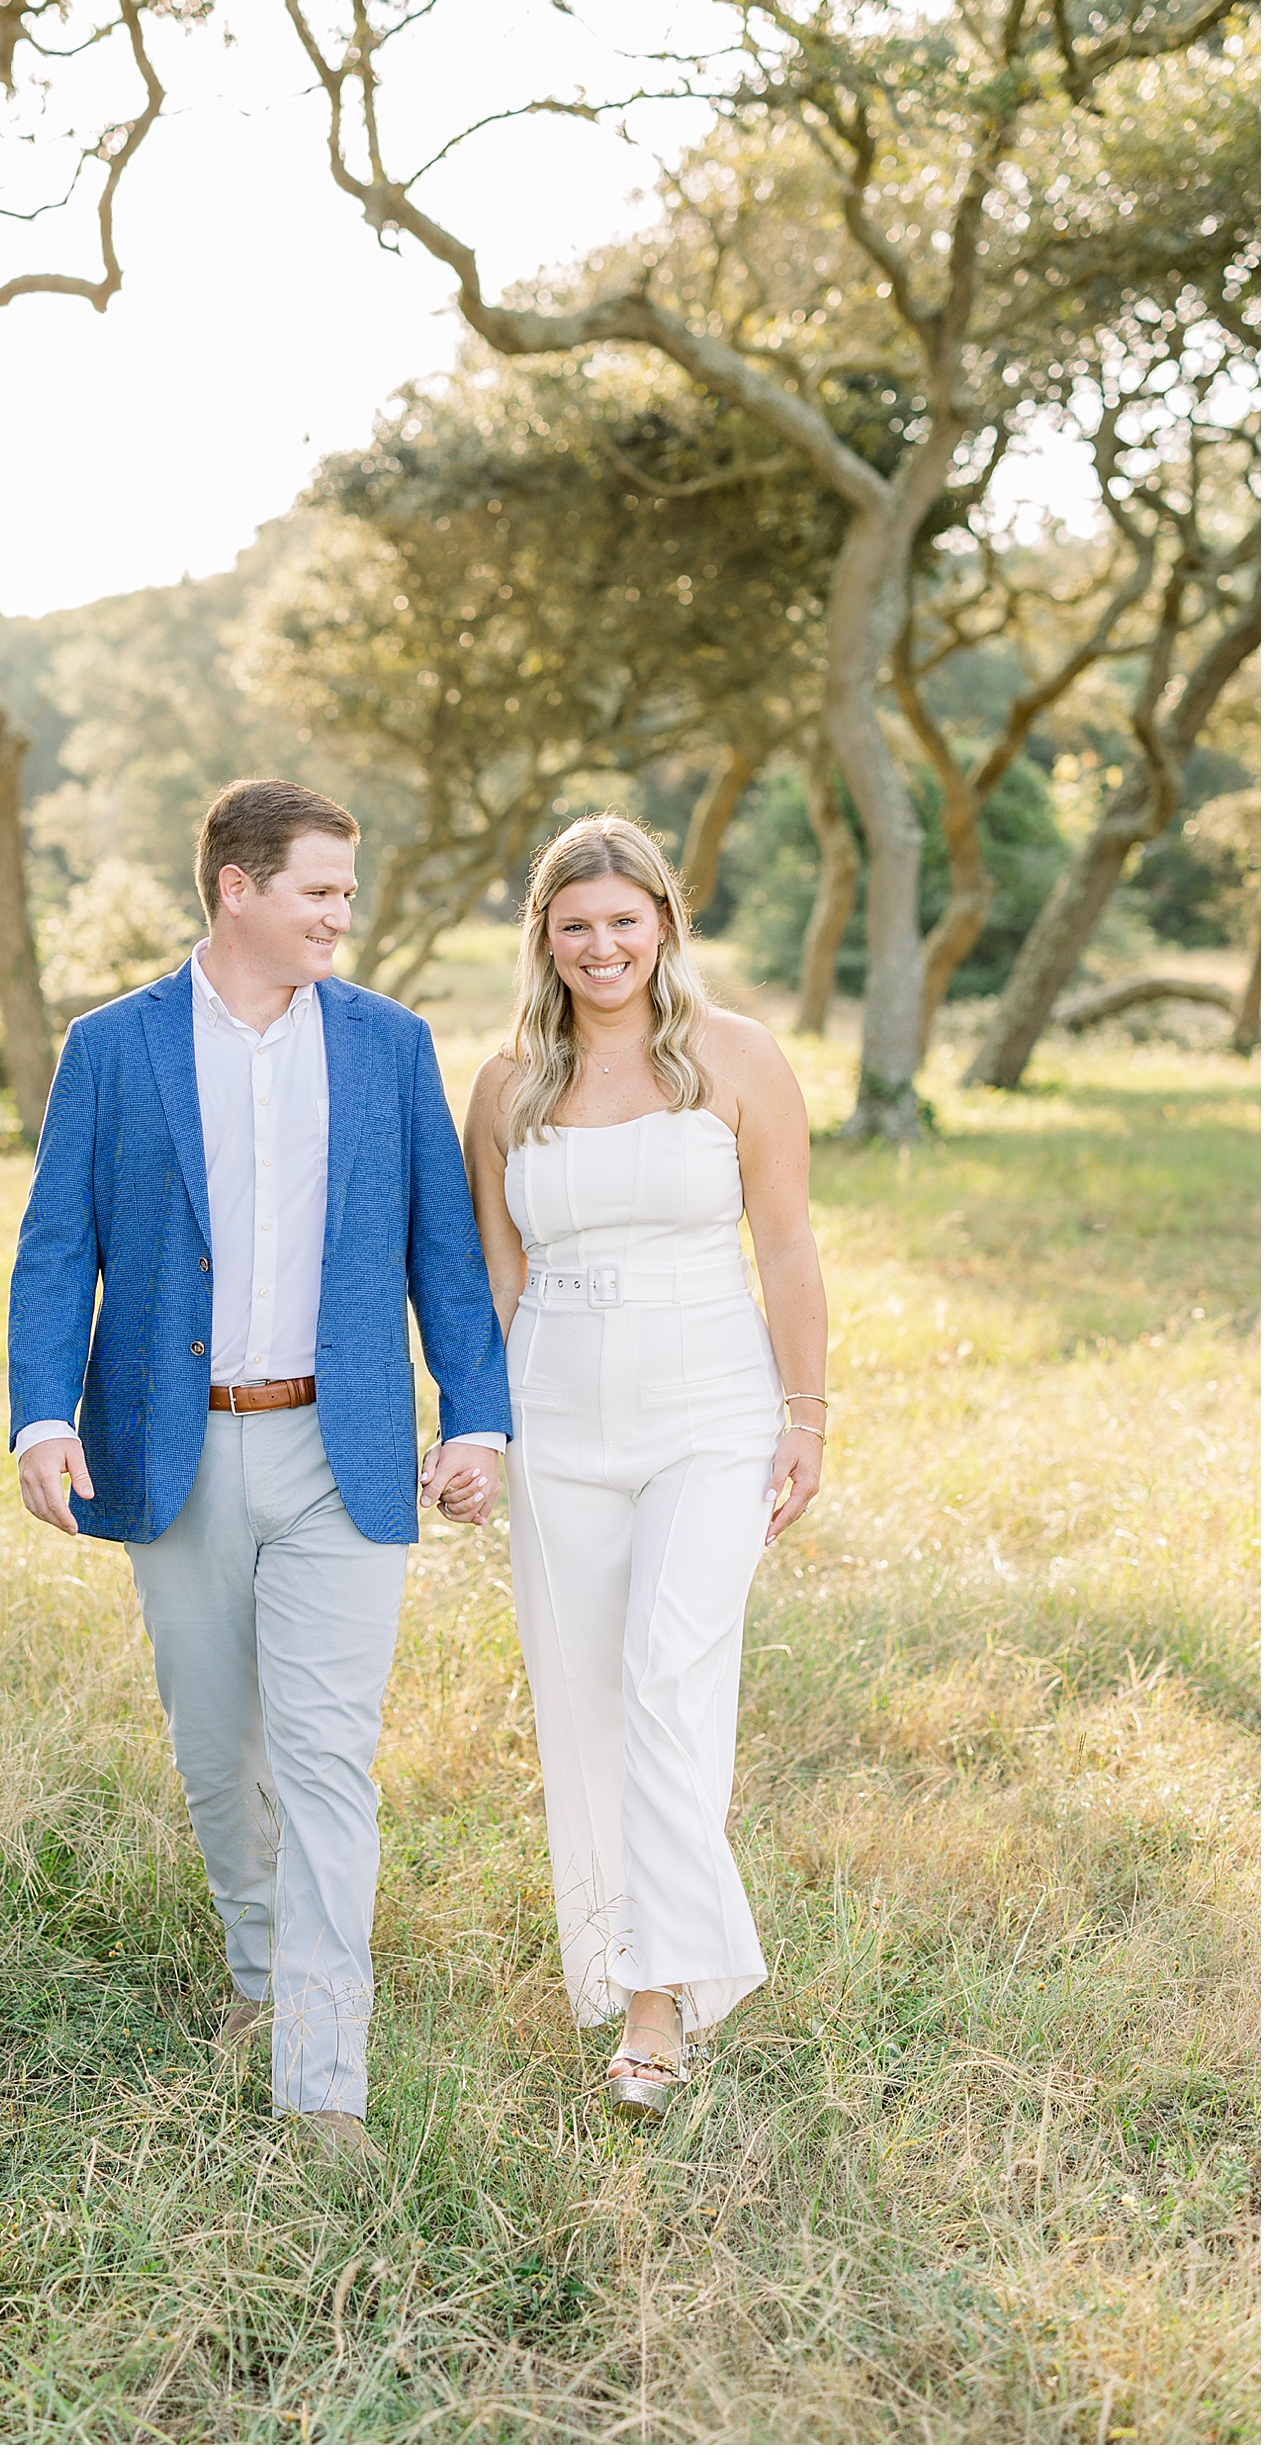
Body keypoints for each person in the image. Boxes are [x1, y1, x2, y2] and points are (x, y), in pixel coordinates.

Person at [8, 778, 511, 2163]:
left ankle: (323, 2080)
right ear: (237, 887)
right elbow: (56, 1248)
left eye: (348, 891)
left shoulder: (389, 1045)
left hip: (343, 1446)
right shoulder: (112, 1047)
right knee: (219, 1753)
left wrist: (477, 1418)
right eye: (319, 891)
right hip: (170, 1444)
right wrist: (41, 1416)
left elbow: (443, 1251)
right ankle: (257, 1972)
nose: (343, 915)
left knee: (327, 1758)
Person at [458, 814, 826, 2118]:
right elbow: (497, 1281)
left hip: (711, 1410)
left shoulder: (738, 1055)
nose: (602, 946)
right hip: (558, 1416)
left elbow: (786, 1245)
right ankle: (632, 1954)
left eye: (624, 920)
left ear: (664, 922)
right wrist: (478, 1428)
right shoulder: (506, 1084)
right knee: (586, 1703)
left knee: (669, 1680)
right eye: (576, 925)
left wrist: (807, 1414)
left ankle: (657, 1999)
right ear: (545, 938)